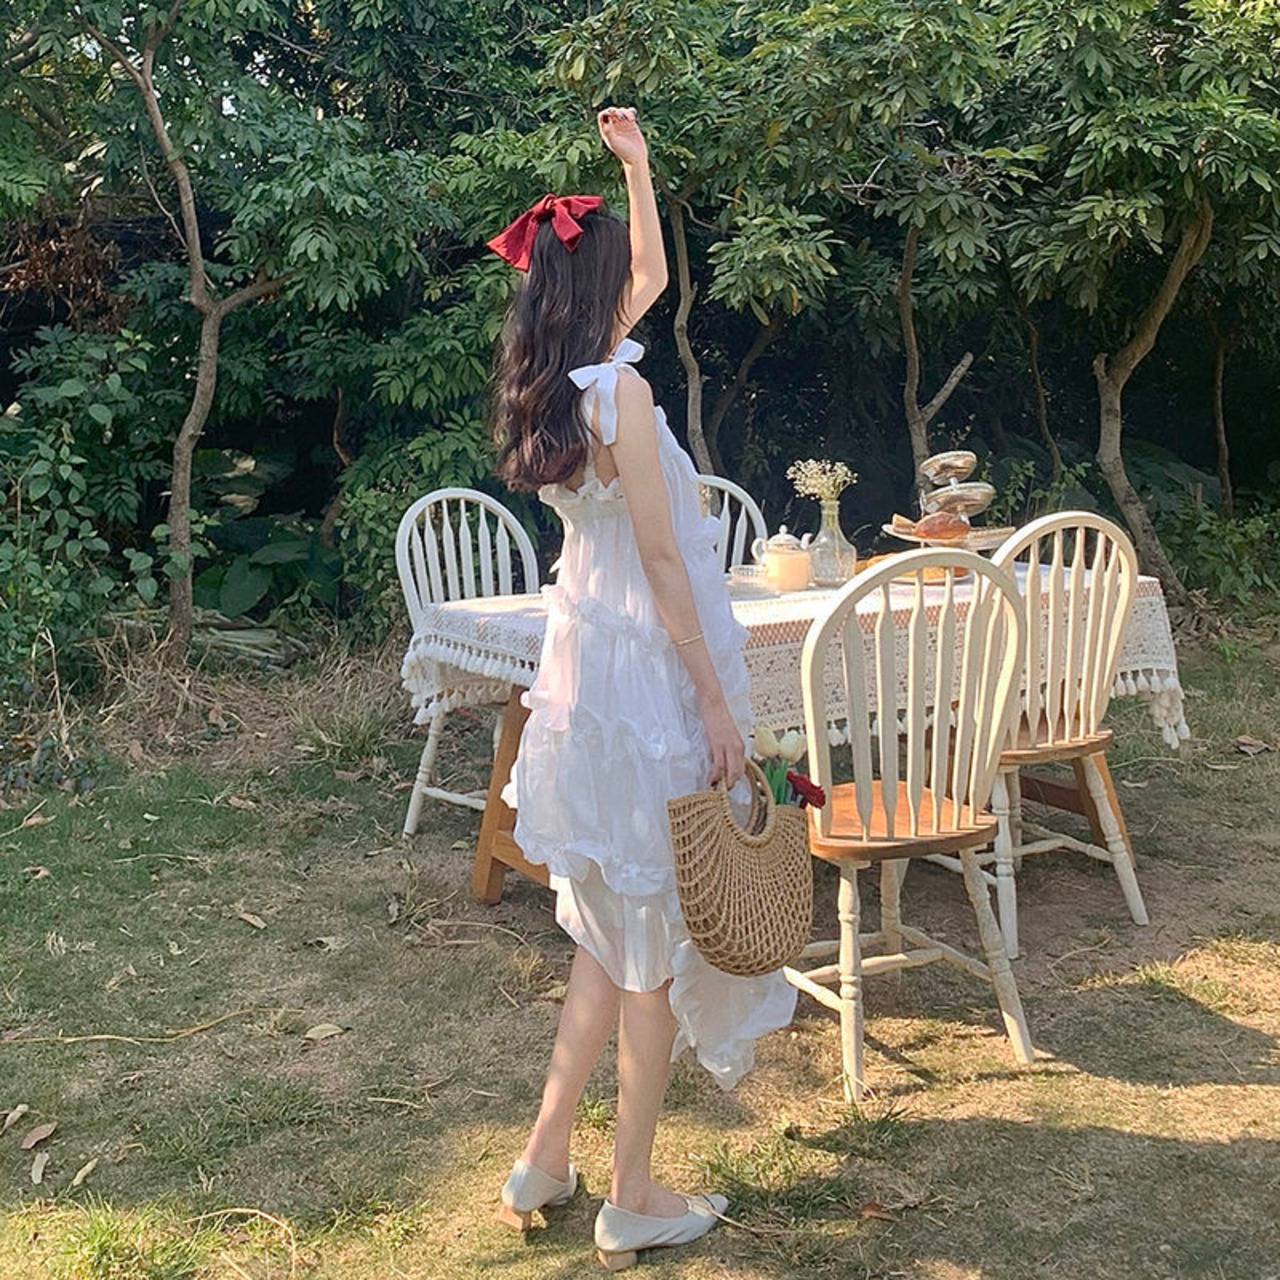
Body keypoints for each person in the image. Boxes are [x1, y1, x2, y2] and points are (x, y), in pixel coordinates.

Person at [487, 107, 796, 1271]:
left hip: (583, 683)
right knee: (650, 951)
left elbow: (653, 272)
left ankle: (543, 1156)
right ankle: (632, 1194)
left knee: (607, 937)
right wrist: (715, 702)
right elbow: (666, 564)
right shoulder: (619, 394)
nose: (640, 278)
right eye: (620, 264)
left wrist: (639, 171)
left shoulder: (560, 384)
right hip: (643, 685)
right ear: (596, 287)